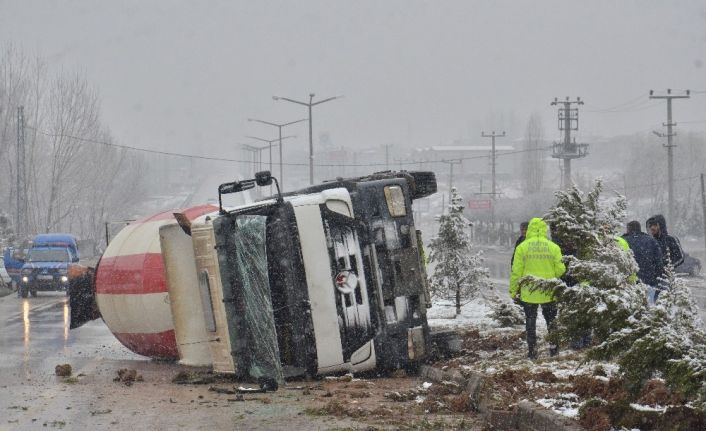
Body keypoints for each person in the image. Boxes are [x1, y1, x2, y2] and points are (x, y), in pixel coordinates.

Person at [510, 217, 566, 359]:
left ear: (529, 230)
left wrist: (513, 290)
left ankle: (532, 351)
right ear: (544, 229)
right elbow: (561, 269)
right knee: (551, 321)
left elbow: (516, 271)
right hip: (549, 290)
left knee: (530, 321)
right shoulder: (553, 247)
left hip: (529, 292)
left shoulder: (522, 247)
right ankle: (554, 349)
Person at [623, 220, 664, 304]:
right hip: (649, 281)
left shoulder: (623, 240)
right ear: (640, 229)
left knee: (630, 307)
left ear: (628, 229)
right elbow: (659, 262)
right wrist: (656, 277)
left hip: (629, 283)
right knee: (649, 309)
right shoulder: (651, 241)